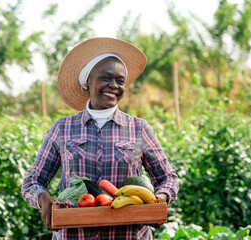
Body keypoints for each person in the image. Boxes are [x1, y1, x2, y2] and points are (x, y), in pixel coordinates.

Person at [22, 37, 179, 240]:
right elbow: (32, 181)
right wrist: (42, 199)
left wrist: (161, 197)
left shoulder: (139, 128)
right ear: (88, 81)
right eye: (105, 78)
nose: (113, 85)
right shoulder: (63, 128)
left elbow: (168, 177)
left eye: (120, 81)